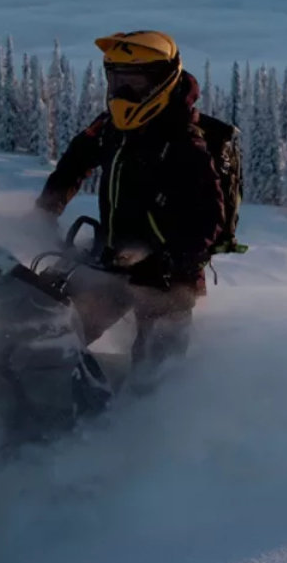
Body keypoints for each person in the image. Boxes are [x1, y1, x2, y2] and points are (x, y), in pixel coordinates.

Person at [35, 30, 224, 387]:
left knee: (155, 377)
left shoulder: (184, 141)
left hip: (167, 281)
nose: (123, 92)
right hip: (112, 260)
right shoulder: (112, 127)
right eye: (117, 80)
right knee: (54, 331)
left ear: (161, 81)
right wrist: (46, 209)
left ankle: (155, 419)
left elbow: (210, 218)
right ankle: (45, 400)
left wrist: (170, 261)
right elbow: (76, 160)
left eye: (134, 82)